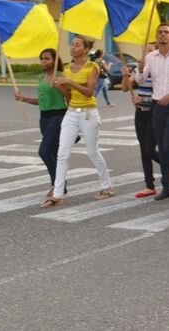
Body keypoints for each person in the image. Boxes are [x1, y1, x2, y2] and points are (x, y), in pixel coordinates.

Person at [41, 36, 115, 208]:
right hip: (72, 113)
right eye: (72, 44)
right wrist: (60, 87)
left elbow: (89, 92)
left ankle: (107, 186)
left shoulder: (92, 67)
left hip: (89, 114)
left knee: (92, 152)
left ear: (85, 49)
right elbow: (69, 96)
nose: (73, 48)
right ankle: (57, 194)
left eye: (77, 45)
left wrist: (69, 82)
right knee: (62, 153)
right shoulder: (66, 68)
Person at [134, 23, 169, 201]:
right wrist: (139, 68)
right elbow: (140, 80)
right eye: (160, 32)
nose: (163, 35)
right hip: (158, 106)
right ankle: (167, 186)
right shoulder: (151, 57)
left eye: (166, 32)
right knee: (161, 146)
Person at [14, 48, 69, 194]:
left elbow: (70, 97)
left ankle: (57, 185)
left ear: (54, 61)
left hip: (58, 116)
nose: (43, 61)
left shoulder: (60, 76)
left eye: (47, 58)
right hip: (44, 118)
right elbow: (42, 101)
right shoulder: (41, 77)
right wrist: (23, 99)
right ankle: (60, 185)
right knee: (52, 153)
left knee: (44, 151)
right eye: (42, 58)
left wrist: (60, 87)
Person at [122, 43, 160, 198]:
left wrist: (143, 98)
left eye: (151, 51)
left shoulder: (158, 70)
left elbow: (162, 94)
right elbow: (125, 88)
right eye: (145, 51)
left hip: (154, 113)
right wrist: (125, 75)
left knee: (149, 149)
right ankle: (149, 185)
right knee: (143, 150)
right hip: (140, 113)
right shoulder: (140, 69)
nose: (147, 54)